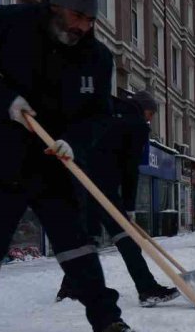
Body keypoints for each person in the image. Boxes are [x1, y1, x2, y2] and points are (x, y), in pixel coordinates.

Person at [0, 0, 139, 332]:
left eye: (90, 20)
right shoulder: (9, 24)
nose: (84, 26)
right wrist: (6, 101)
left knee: (78, 248)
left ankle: (108, 325)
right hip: (2, 158)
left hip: (55, 165)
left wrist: (76, 142)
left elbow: (100, 115)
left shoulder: (97, 58)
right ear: (57, 6)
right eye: (78, 16)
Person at [56, 90, 179, 307]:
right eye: (151, 114)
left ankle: (69, 287)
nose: (150, 119)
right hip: (104, 187)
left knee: (88, 238)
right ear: (145, 110)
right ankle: (147, 289)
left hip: (80, 179)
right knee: (126, 238)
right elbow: (130, 168)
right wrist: (129, 206)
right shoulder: (137, 125)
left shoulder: (108, 109)